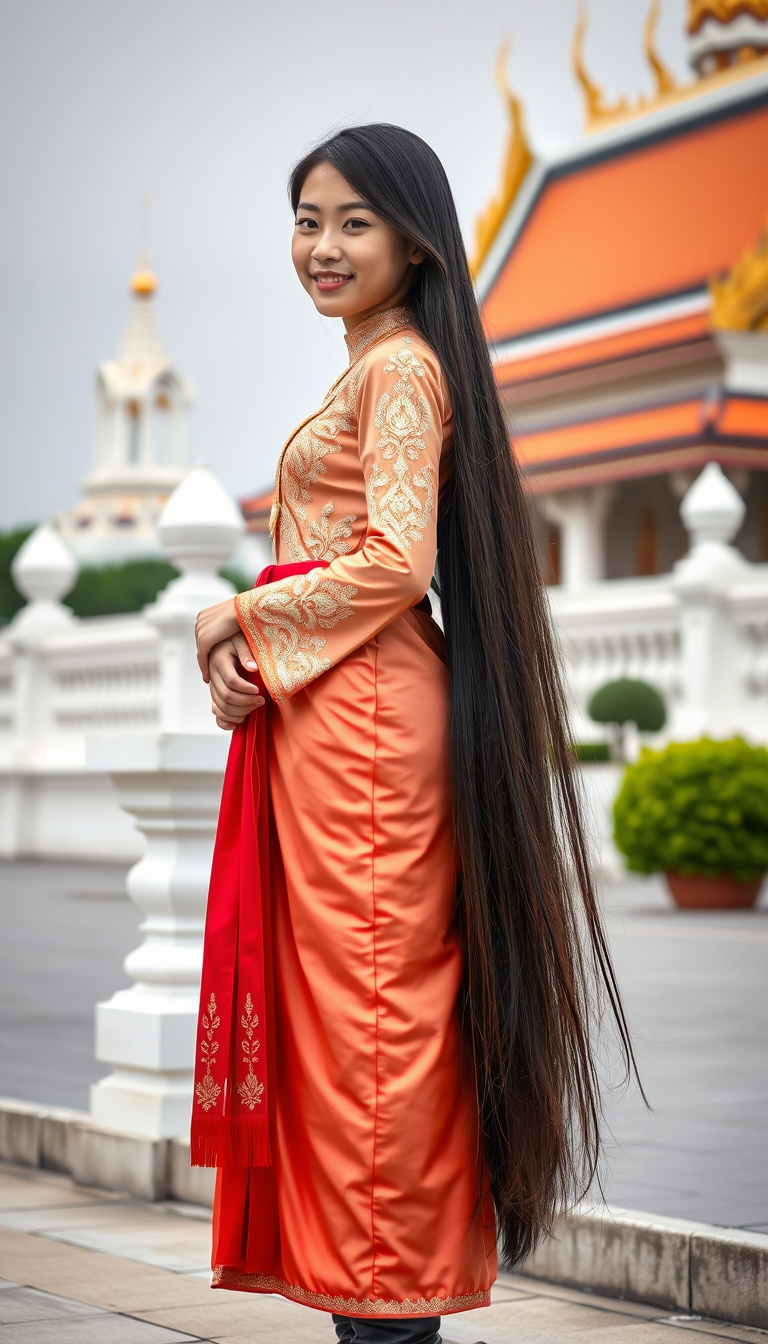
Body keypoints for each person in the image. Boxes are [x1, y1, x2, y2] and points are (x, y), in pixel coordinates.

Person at [193, 124, 637, 1344]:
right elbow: (356, 569)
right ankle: (375, 1309)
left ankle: (389, 1313)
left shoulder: (399, 372)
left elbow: (391, 563)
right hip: (341, 720)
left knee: (373, 1024)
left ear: (415, 241)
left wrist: (232, 612)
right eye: (307, 220)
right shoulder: (376, 365)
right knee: (348, 1024)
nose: (322, 246)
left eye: (353, 222)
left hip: (372, 739)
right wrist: (251, 669)